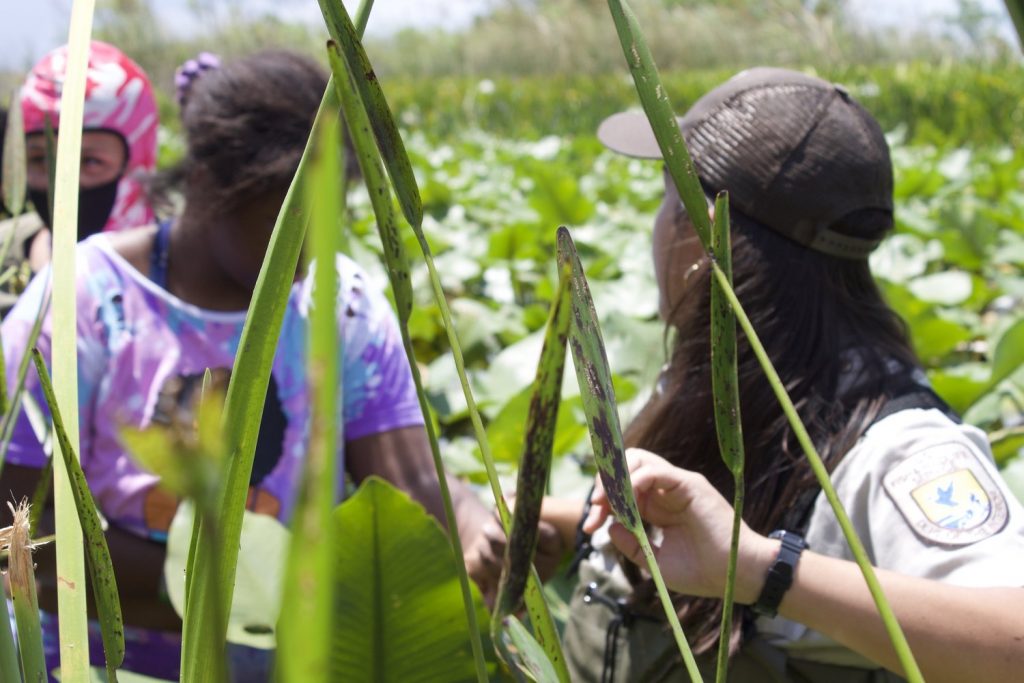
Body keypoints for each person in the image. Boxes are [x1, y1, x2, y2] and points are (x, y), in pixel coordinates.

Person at [468, 67, 1024, 682]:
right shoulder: (729, 377)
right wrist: (565, 527)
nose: (656, 227)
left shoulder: (896, 449)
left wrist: (762, 569)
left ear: (705, 234)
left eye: (666, 198)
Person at [0, 49, 487, 681]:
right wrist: (265, 592)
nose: (309, 251)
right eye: (283, 219)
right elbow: (22, 529)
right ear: (205, 181)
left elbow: (413, 492)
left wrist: (483, 541)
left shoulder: (345, 310)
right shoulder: (83, 301)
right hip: (88, 662)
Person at [0, 40, 158, 316]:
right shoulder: (6, 254)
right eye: (39, 159)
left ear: (135, 163)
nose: (62, 182)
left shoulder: (188, 272)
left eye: (91, 162)